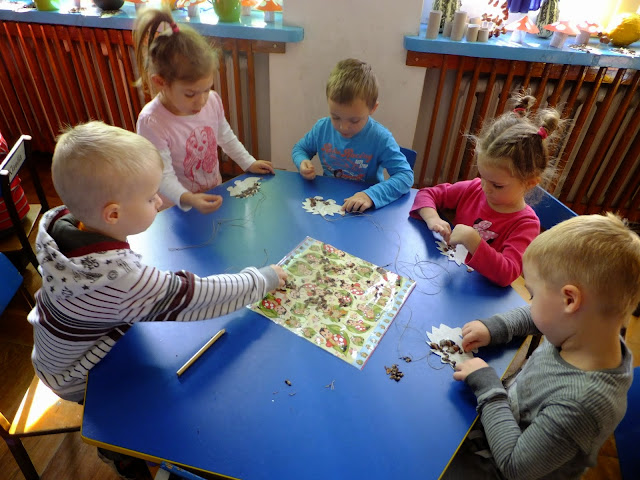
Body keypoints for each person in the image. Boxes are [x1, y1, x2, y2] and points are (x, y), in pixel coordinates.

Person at [27, 122, 286, 478]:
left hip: (52, 351)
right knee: (127, 420)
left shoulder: (63, 224)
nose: (161, 201)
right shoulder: (121, 280)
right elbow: (195, 297)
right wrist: (262, 279)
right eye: (151, 198)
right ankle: (119, 453)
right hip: (76, 376)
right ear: (113, 215)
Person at [444, 213, 640, 480]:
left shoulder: (582, 404)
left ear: (569, 300)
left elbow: (514, 466)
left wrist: (488, 387)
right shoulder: (590, 329)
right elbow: (541, 315)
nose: (530, 302)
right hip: (506, 411)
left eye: (533, 294)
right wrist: (496, 327)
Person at [134, 7, 275, 215]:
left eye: (207, 89)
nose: (201, 102)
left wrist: (249, 162)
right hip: (176, 209)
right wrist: (189, 198)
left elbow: (225, 137)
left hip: (211, 194)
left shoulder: (212, 101)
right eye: (190, 94)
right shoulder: (152, 121)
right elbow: (162, 176)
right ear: (160, 82)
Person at [410, 96, 562, 286]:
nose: (485, 188)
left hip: (479, 296)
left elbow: (508, 273)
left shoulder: (526, 224)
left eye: (497, 185)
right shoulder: (474, 189)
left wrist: (472, 240)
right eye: (482, 176)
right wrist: (433, 218)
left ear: (530, 183)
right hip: (446, 278)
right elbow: (427, 194)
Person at [291, 58, 414, 212]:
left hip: (363, 210)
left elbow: (405, 176)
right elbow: (300, 149)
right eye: (335, 117)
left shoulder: (380, 138)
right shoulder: (322, 128)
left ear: (373, 108)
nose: (343, 127)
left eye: (354, 120)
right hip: (328, 202)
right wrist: (302, 162)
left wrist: (370, 196)